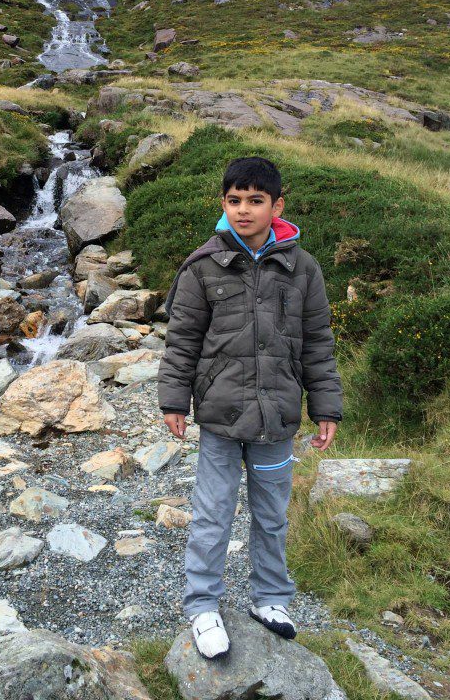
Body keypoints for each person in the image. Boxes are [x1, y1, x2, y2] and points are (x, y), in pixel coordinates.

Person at [157, 155, 343, 658]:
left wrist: (326, 406)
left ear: (276, 205)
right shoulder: (203, 266)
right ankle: (202, 606)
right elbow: (182, 341)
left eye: (255, 201)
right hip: (219, 416)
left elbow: (318, 343)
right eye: (235, 200)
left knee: (271, 514)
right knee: (212, 513)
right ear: (223, 204)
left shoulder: (303, 269)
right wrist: (174, 400)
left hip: (279, 417)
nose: (244, 210)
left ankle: (271, 599)